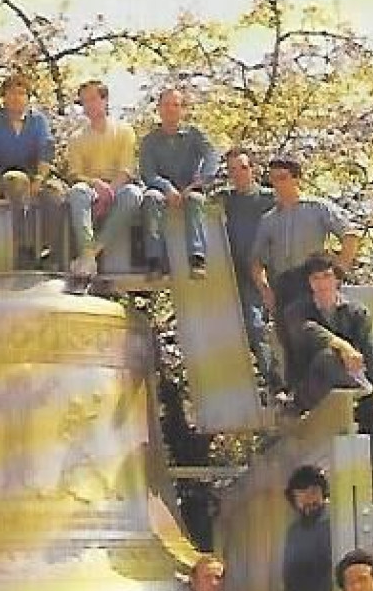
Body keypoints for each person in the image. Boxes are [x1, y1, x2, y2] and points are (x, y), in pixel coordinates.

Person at [289, 254, 373, 489]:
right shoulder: (297, 311)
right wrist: (342, 346)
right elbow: (309, 331)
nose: (322, 283)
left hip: (354, 389)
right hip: (312, 389)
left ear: (336, 279)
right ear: (310, 283)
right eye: (316, 278)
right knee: (330, 357)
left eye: (327, 276)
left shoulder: (356, 312)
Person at [250, 156, 359, 387]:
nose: (278, 184)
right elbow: (256, 261)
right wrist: (265, 290)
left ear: (296, 179)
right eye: (273, 180)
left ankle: (330, 386)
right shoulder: (268, 219)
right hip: (283, 283)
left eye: (283, 178)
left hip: (311, 279)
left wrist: (337, 272)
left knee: (315, 335)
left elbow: (350, 236)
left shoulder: (317, 208)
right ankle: (298, 396)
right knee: (289, 341)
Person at [0, 73, 67, 268]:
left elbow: (45, 153)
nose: (16, 98)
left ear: (27, 97)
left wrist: (40, 179)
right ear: (4, 97)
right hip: (5, 175)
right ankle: (24, 247)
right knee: (15, 181)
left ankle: (49, 248)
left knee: (55, 192)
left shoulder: (38, 121)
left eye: (21, 93)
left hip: (34, 174)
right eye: (11, 93)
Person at [139, 87, 219, 279]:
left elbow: (211, 156)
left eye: (175, 105)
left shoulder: (194, 135)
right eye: (166, 105)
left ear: (183, 110)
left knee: (195, 199)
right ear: (159, 109)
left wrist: (201, 179)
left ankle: (197, 259)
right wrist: (167, 188)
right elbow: (147, 173)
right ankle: (155, 261)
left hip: (189, 187)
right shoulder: (150, 141)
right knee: (150, 198)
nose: (171, 109)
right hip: (160, 190)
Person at [216, 148, 280, 388]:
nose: (239, 174)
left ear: (252, 169)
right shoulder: (227, 200)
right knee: (254, 326)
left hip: (272, 270)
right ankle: (272, 378)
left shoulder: (269, 199)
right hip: (243, 274)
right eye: (232, 170)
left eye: (243, 168)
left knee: (288, 322)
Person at [66, 80, 143, 278]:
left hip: (118, 187)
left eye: (93, 99)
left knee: (133, 194)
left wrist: (108, 192)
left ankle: (91, 254)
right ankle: (87, 252)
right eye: (84, 102)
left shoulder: (124, 131)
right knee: (77, 192)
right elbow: (75, 174)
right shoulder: (77, 137)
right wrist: (95, 184)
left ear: (105, 100)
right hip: (91, 187)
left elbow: (127, 170)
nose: (89, 105)